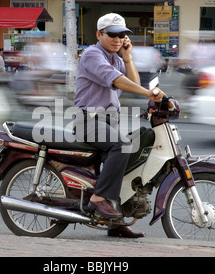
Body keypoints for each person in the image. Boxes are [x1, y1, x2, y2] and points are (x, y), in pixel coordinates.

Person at [73, 13, 164, 238]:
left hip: (108, 121)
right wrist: (149, 93)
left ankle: (114, 220)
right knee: (122, 146)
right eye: (112, 34)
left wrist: (127, 57)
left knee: (131, 157)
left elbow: (131, 82)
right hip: (88, 120)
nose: (118, 39)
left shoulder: (115, 58)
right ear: (99, 34)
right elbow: (117, 80)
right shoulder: (92, 55)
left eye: (122, 35)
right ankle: (98, 198)